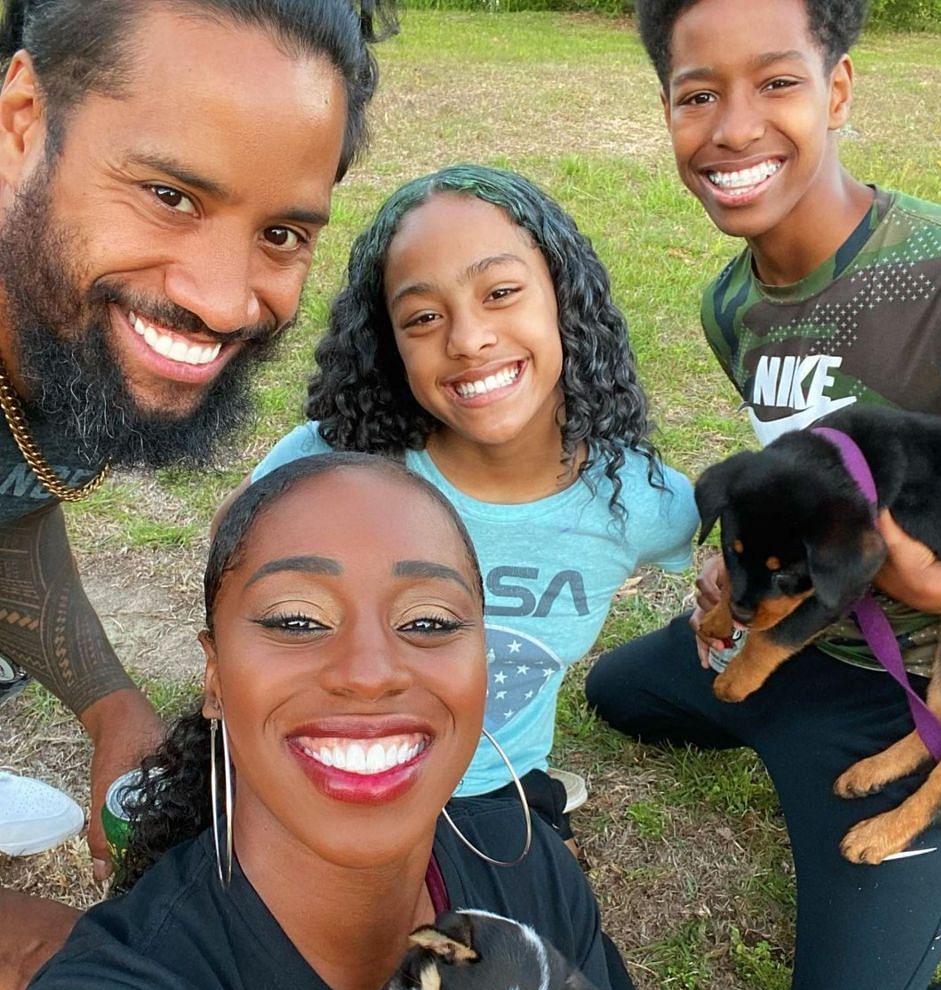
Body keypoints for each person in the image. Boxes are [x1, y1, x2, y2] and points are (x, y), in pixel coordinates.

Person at [0, 452, 650, 990]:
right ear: (215, 676)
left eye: (428, 622)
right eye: (296, 621)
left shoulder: (532, 869)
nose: (369, 673)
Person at [585, 1, 941, 990]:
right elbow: (790, 478)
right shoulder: (730, 303)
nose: (732, 127)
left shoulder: (939, 274)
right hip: (788, 641)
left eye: (777, 83)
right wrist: (732, 561)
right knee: (620, 691)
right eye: (697, 94)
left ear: (838, 89)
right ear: (667, 111)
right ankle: (771, 732)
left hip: (902, 699)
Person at [0, 0, 389, 990]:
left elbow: (12, 504)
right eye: (170, 194)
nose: (224, 300)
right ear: (23, 119)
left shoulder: (59, 313)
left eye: (281, 233)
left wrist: (110, 708)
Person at [249, 165, 697, 841]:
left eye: (501, 292)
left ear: (563, 298)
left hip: (493, 791)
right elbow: (232, 567)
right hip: (324, 780)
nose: (467, 338)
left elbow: (715, 564)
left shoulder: (637, 498)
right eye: (423, 316)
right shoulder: (328, 470)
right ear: (388, 344)